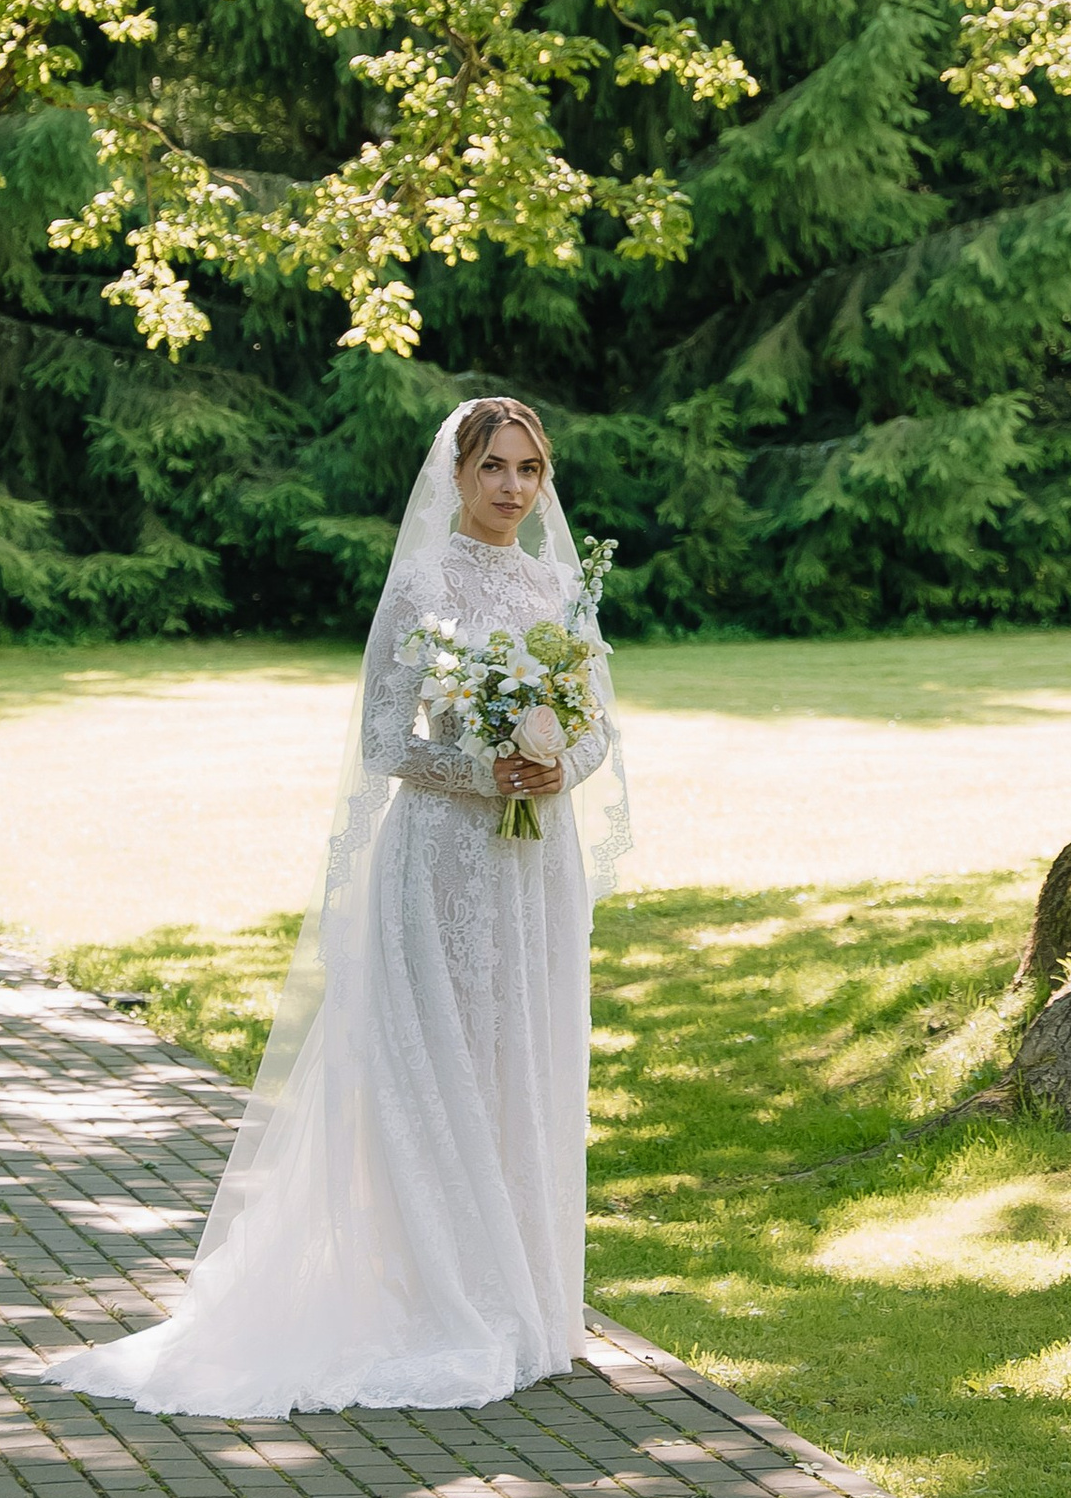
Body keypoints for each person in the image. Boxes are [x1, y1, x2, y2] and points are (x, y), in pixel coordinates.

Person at [49, 396, 633, 1416]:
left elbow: (596, 725)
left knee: (521, 1057)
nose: (511, 488)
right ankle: (437, 1294)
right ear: (456, 475)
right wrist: (482, 770)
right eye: (494, 467)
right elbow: (384, 739)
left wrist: (557, 766)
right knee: (439, 1063)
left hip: (534, 862)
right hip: (442, 856)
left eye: (529, 469)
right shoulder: (422, 584)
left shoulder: (556, 584)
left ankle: (524, 1298)